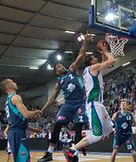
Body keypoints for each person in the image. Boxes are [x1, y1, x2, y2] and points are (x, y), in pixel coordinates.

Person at [38, 33, 92, 162]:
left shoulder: (72, 69)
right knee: (57, 125)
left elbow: (81, 55)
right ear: (57, 72)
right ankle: (49, 153)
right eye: (58, 66)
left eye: (61, 64)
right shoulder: (59, 82)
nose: (61, 65)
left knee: (78, 128)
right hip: (68, 105)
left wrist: (86, 42)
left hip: (80, 103)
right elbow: (51, 99)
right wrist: (42, 110)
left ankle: (75, 154)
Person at [63, 40, 117, 162]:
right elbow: (112, 61)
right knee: (97, 135)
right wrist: (106, 51)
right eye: (94, 57)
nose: (96, 58)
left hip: (99, 104)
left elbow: (105, 63)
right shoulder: (92, 68)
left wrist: (103, 53)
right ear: (91, 62)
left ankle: (75, 149)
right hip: (94, 104)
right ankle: (72, 149)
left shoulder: (93, 70)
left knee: (109, 129)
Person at [1, 79, 42, 162]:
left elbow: (17, 122)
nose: (15, 83)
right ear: (8, 86)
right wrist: (36, 112)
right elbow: (26, 114)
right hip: (18, 133)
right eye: (12, 82)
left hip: (14, 132)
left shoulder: (8, 101)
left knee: (19, 159)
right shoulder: (15, 97)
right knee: (24, 159)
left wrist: (33, 130)